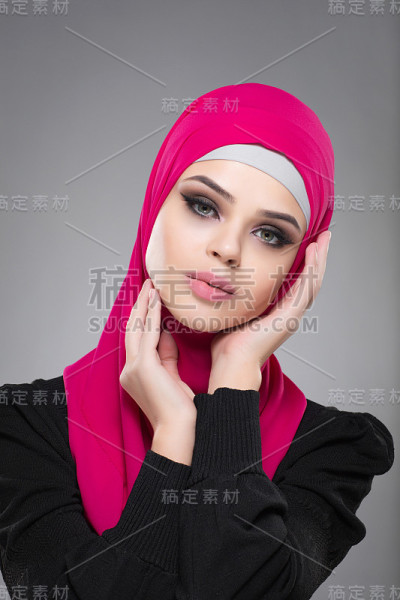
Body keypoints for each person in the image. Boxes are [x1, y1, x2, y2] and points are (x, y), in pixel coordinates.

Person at [0, 83, 394, 600]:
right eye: (204, 205)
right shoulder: (25, 426)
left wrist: (234, 379)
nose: (228, 249)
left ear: (297, 267)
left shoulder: (332, 449)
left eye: (270, 234)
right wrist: (172, 438)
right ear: (155, 205)